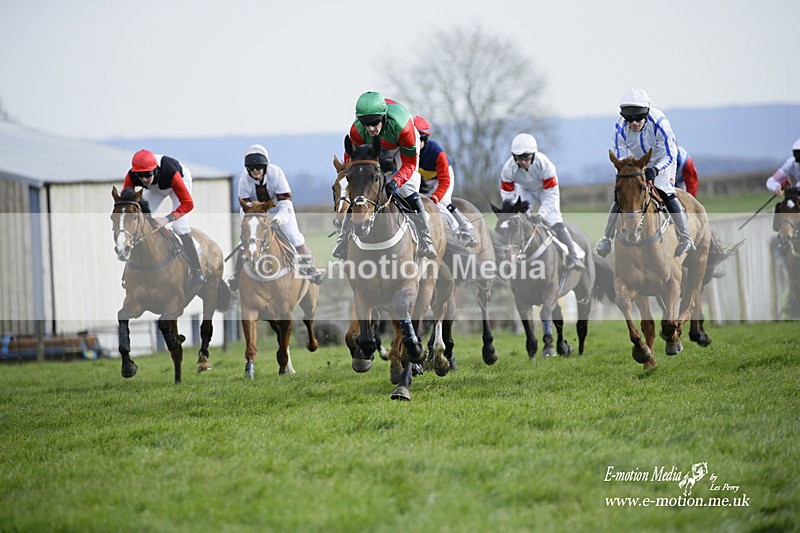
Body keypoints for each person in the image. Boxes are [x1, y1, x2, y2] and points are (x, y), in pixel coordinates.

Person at [332, 91, 437, 261]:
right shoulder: (357, 131)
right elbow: (352, 162)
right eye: (366, 124)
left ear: (384, 117)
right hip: (375, 147)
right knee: (360, 194)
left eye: (375, 123)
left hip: (402, 144)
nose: (371, 128)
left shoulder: (403, 128)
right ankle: (343, 239)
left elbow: (409, 164)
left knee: (407, 191)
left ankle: (425, 239)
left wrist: (395, 182)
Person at [596, 88, 695, 258]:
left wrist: (655, 170)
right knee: (624, 195)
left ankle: (685, 235)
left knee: (664, 190)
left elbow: (670, 154)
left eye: (638, 117)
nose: (634, 122)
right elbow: (620, 158)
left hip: (661, 162)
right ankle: (607, 237)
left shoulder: (660, 123)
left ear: (647, 111)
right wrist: (632, 172)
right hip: (634, 165)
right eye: (629, 118)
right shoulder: (619, 127)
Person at [228, 144, 322, 290]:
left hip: (281, 208)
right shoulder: (244, 179)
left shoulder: (276, 173)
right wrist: (249, 222)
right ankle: (236, 274)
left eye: (258, 168)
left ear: (265, 167)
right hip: (256, 212)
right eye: (251, 169)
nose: (255, 171)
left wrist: (277, 220)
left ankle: (309, 268)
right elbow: (245, 207)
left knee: (294, 236)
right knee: (245, 239)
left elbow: (285, 204)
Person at [499, 133, 585, 270]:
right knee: (521, 220)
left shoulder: (545, 164)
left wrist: (541, 215)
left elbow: (551, 194)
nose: (523, 162)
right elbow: (507, 194)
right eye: (519, 158)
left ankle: (574, 255)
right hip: (525, 190)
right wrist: (513, 212)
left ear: (533, 155)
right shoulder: (507, 169)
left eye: (526, 158)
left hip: (546, 191)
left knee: (553, 220)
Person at [122, 149, 206, 289]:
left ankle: (197, 272)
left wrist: (167, 219)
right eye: (140, 176)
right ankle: (129, 271)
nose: (143, 180)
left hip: (178, 184)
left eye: (147, 175)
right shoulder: (131, 176)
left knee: (180, 226)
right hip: (155, 189)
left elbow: (188, 204)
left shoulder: (170, 172)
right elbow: (127, 204)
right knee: (139, 224)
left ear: (154, 170)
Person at [413, 115, 475, 244]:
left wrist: (435, 197)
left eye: (415, 140)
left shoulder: (437, 152)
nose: (411, 144)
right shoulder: (408, 151)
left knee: (440, 203)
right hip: (423, 180)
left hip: (441, 179)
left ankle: (460, 228)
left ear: (424, 139)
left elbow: (445, 181)